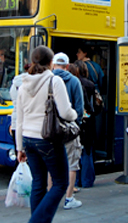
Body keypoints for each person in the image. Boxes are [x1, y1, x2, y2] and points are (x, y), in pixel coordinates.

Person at [16, 46, 77, 223]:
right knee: (60, 184)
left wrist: (20, 147)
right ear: (51, 63)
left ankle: (37, 219)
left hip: (28, 139)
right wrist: (76, 115)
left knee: (38, 183)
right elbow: (66, 113)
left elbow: (19, 119)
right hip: (48, 139)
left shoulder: (23, 84)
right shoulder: (54, 81)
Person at [52, 52, 84, 209]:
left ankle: (51, 196)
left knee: (51, 164)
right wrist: (75, 124)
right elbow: (79, 107)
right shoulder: (74, 81)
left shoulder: (47, 80)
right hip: (69, 129)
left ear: (53, 64)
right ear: (67, 65)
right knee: (72, 164)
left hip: (50, 129)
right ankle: (69, 198)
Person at [71, 61, 96, 188]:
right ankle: (87, 181)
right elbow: (94, 106)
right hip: (88, 122)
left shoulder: (71, 84)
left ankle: (75, 181)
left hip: (75, 122)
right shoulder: (90, 84)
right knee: (87, 152)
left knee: (75, 153)